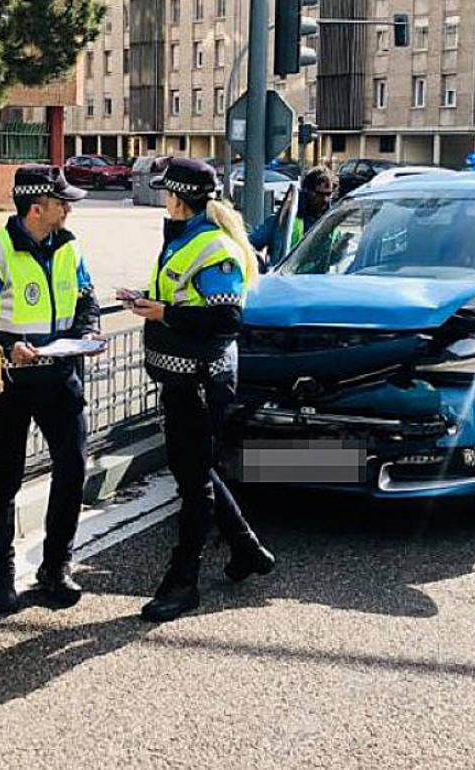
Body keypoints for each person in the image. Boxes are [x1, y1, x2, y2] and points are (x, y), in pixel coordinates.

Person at [123, 157, 275, 622]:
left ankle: (183, 582)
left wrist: (162, 312)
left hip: (201, 382)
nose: (162, 200)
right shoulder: (185, 239)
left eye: (165, 193)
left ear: (178, 198)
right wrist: (153, 305)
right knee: (196, 472)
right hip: (181, 380)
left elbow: (227, 319)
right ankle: (248, 551)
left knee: (193, 485)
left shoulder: (212, 247)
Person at [0, 165, 102, 612]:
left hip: (61, 377)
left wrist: (89, 331)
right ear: (37, 209)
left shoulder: (69, 247)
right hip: (11, 383)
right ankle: (0, 575)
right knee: (5, 480)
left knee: (73, 468)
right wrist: (6, 347)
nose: (69, 209)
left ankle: (56, 566)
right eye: (62, 203)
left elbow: (87, 297)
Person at [248, 165, 338, 268]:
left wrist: (341, 249)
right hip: (283, 281)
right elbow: (249, 243)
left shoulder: (333, 222)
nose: (325, 200)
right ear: (307, 192)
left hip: (319, 282)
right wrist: (258, 263)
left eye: (328, 194)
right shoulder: (283, 219)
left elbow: (335, 262)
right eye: (319, 194)